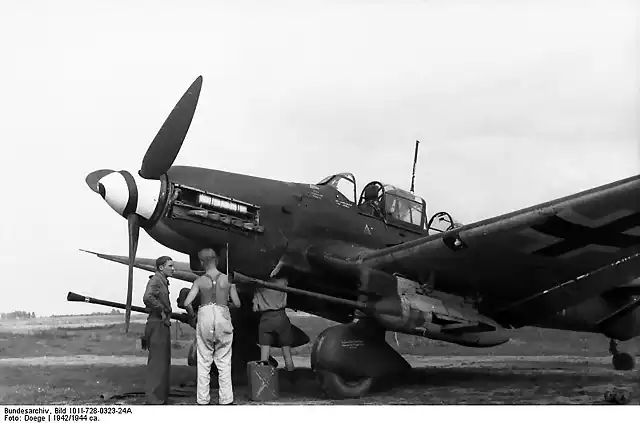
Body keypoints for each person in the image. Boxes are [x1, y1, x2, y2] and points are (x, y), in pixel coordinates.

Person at [184, 248, 241, 405]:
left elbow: (187, 302)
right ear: (216, 261)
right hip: (222, 314)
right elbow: (237, 303)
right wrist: (227, 302)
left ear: (202, 263)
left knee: (204, 360)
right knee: (223, 360)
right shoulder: (227, 280)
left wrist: (192, 315)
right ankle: (226, 399)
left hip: (205, 314)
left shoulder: (199, 281)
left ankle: (203, 399)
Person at [142, 255, 175, 405]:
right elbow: (148, 297)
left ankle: (160, 396)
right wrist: (161, 309)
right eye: (170, 266)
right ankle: (155, 399)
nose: (173, 269)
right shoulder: (156, 280)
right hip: (157, 323)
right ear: (161, 267)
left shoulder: (162, 281)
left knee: (162, 361)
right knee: (157, 362)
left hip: (161, 323)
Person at [253, 277, 297, 384]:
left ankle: (264, 383)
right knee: (287, 354)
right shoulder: (283, 281)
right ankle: (292, 382)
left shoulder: (258, 284)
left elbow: (255, 309)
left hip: (266, 319)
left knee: (264, 356)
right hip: (281, 318)